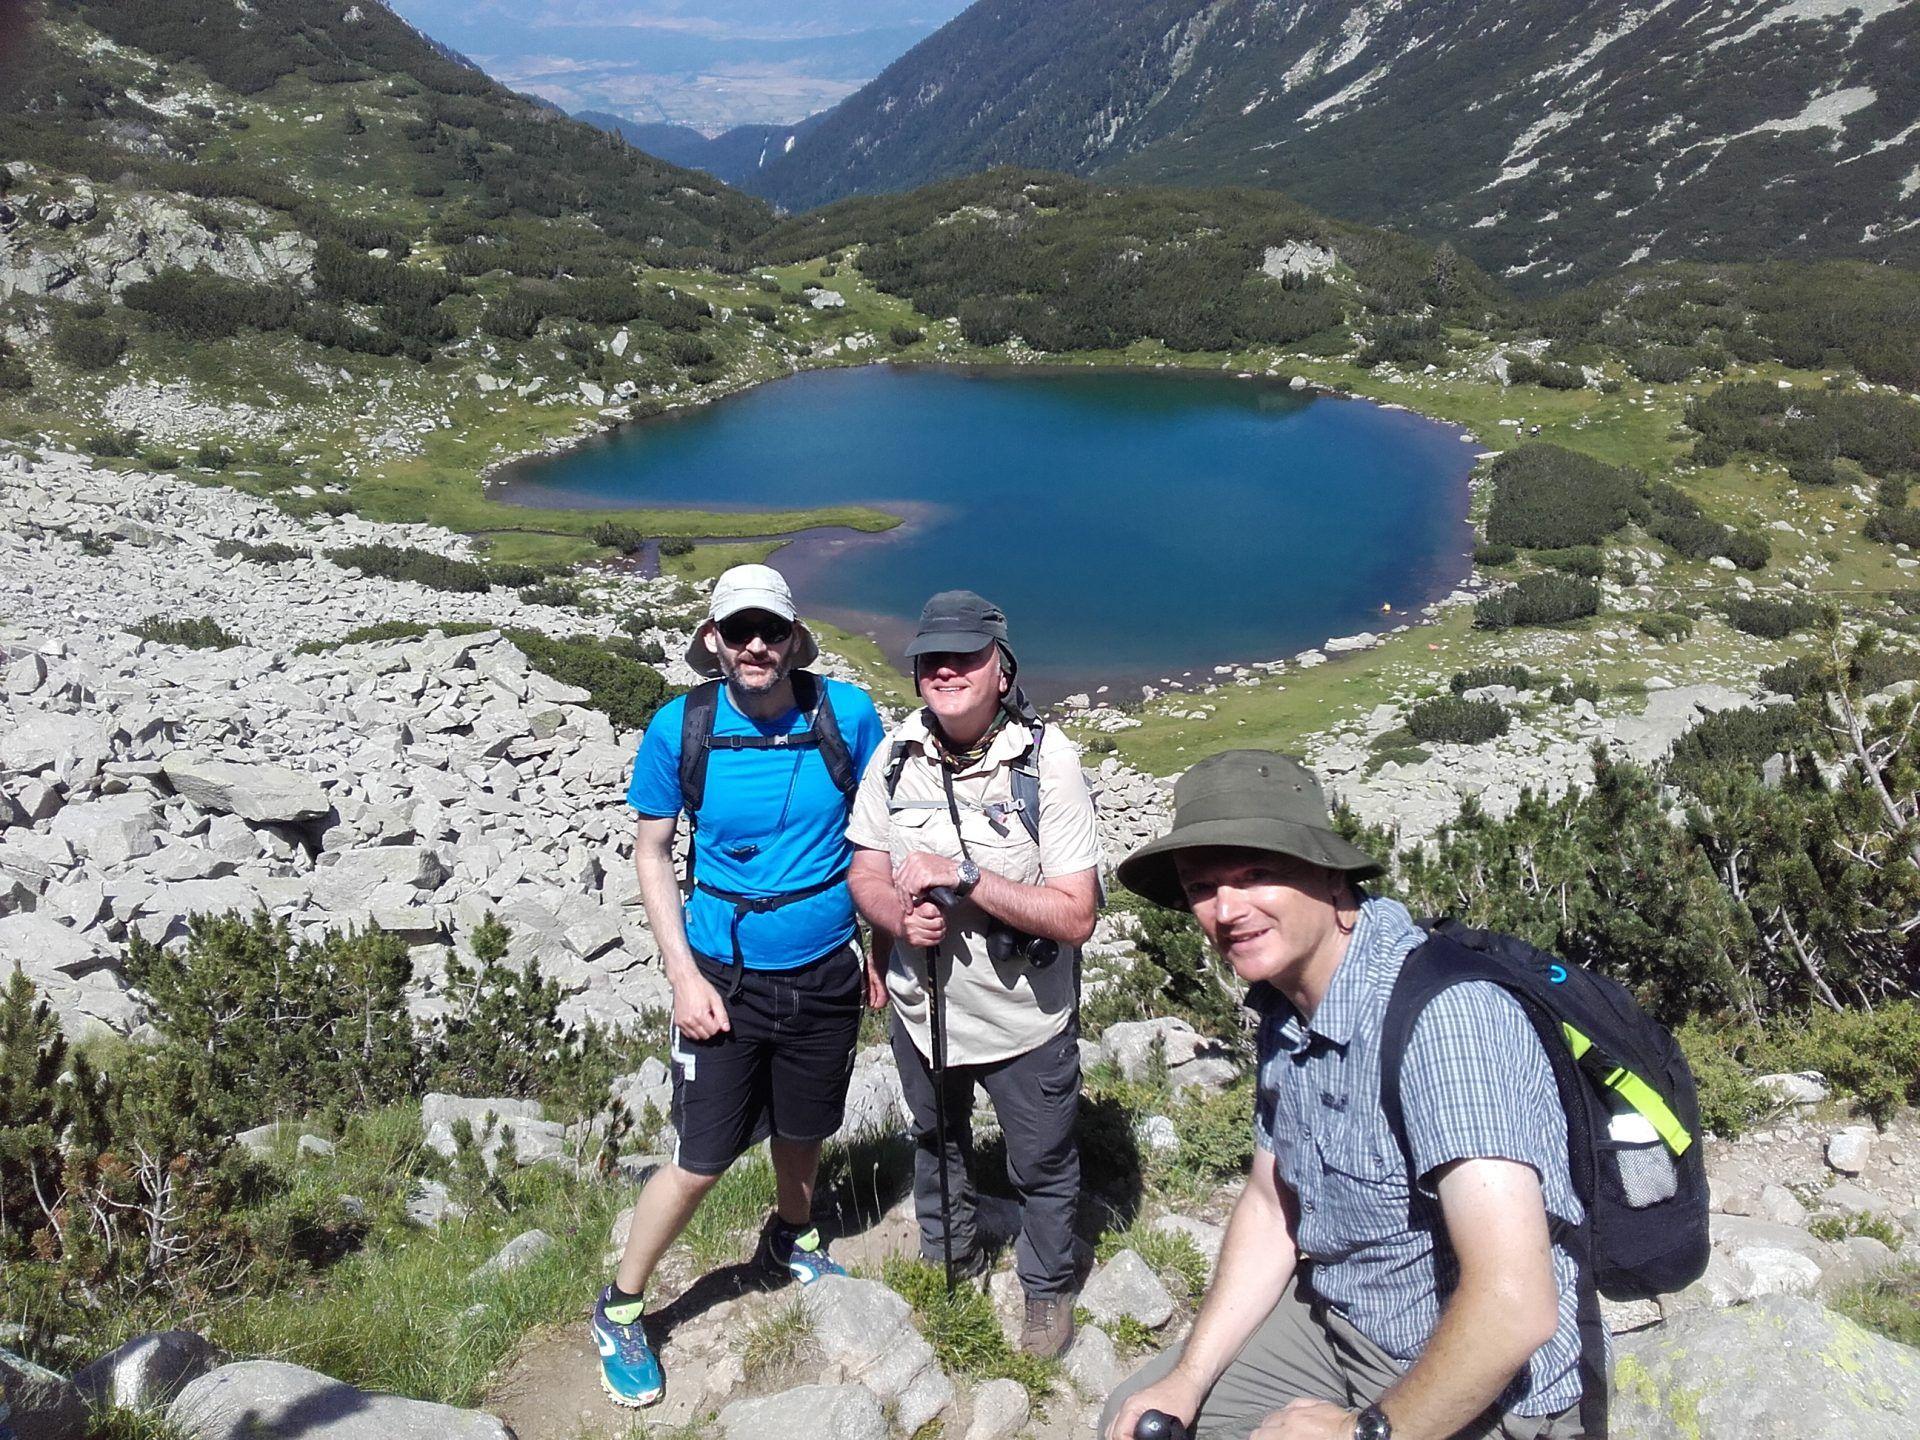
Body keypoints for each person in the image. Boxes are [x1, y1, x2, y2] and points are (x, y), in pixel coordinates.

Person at [1101, 750, 1593, 1440]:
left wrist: (1357, 1433)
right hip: (1343, 1320)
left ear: (1331, 876)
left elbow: (1514, 1304)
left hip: (1467, 1375)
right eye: (1202, 886)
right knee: (1135, 1415)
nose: (1227, 910)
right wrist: (1187, 1379)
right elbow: (1276, 1205)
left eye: (1256, 874)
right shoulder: (1287, 1003)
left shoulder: (1446, 1020)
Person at [593, 564, 886, 1409]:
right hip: (722, 976)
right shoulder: (679, 727)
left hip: (827, 965)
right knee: (700, 1157)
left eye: (772, 630)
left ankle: (788, 1240)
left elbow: (876, 833)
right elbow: (651, 853)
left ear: (794, 637)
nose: (757, 645)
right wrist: (682, 975)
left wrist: (877, 940)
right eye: (739, 630)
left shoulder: (846, 715)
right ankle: (620, 1309)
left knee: (805, 1129)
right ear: (713, 640)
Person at [845, 590, 1101, 1358]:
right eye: (932, 658)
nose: (947, 669)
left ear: (1002, 669)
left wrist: (963, 878)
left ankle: (1047, 1290)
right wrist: (896, 915)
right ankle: (948, 1257)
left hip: (1024, 1021)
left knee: (1043, 1164)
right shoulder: (893, 758)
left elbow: (1076, 915)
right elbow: (863, 870)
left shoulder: (1047, 764)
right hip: (924, 1013)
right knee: (936, 1140)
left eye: (967, 656)